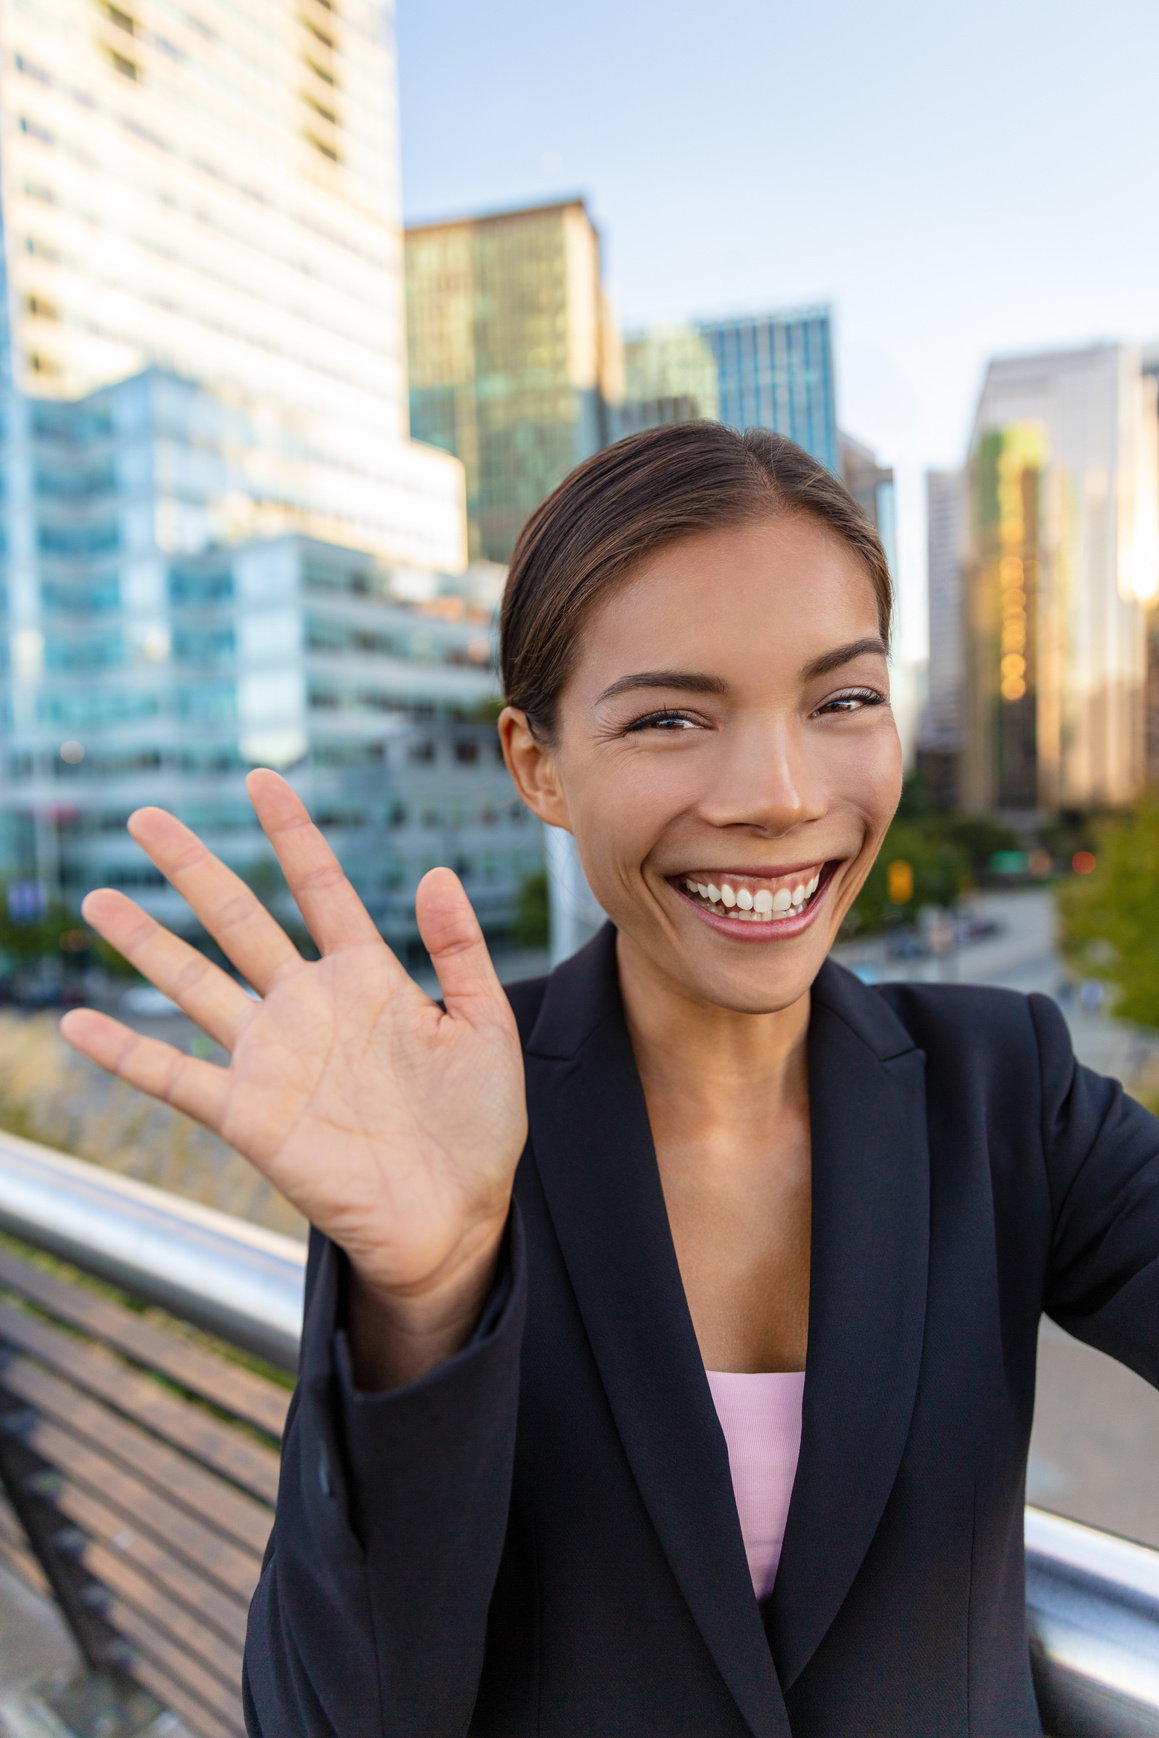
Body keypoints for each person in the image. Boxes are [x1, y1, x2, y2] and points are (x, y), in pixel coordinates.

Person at [61, 423, 1159, 1738]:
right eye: (671, 717)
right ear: (536, 763)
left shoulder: (1008, 1085)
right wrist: (424, 1297)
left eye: (844, 698)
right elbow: (328, 1717)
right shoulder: (446, 1111)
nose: (778, 791)